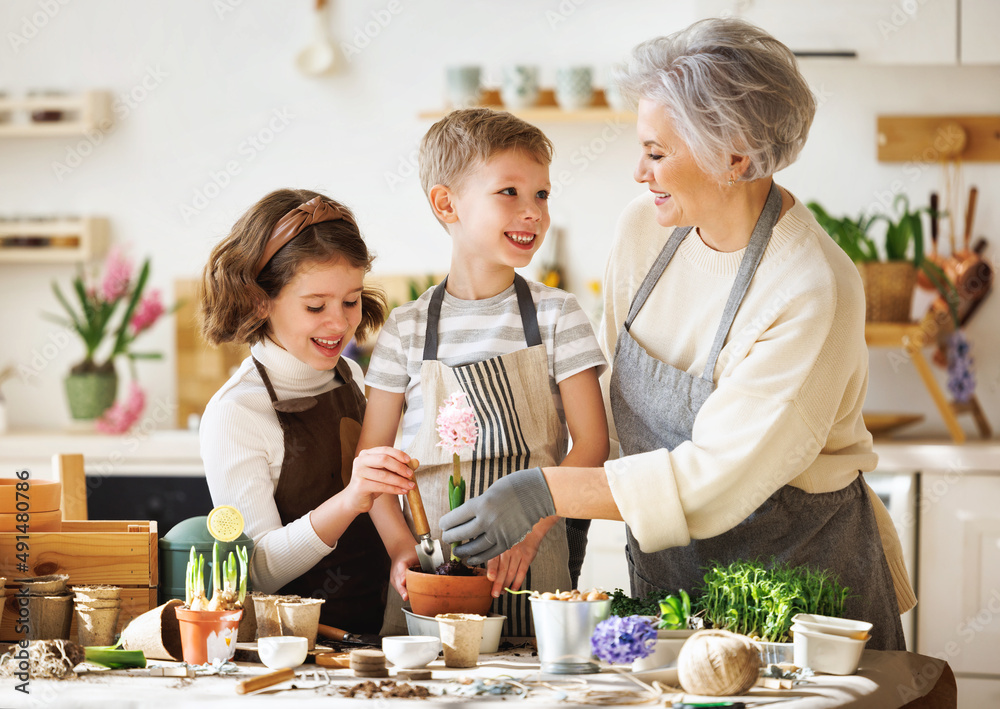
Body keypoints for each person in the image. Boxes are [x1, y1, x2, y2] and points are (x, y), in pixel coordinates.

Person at [439, 18, 915, 651]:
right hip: (674, 585)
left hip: (800, 597)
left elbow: (712, 478)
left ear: (735, 156)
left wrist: (543, 490)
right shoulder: (644, 230)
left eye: (657, 153)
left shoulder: (810, 286)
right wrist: (553, 509)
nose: (639, 172)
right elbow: (611, 393)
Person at [360, 108, 610, 637]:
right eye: (509, 193)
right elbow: (372, 466)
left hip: (532, 562)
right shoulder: (405, 330)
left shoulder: (557, 316)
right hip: (429, 572)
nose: (533, 212)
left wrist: (533, 527)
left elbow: (591, 445)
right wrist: (403, 549)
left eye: (541, 195)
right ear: (447, 203)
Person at [200, 188, 417, 634]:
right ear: (260, 300)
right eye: (315, 306)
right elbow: (257, 569)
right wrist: (350, 500)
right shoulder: (235, 413)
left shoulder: (352, 377)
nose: (339, 324)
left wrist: (403, 549)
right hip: (297, 651)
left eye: (351, 301)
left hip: (383, 637)